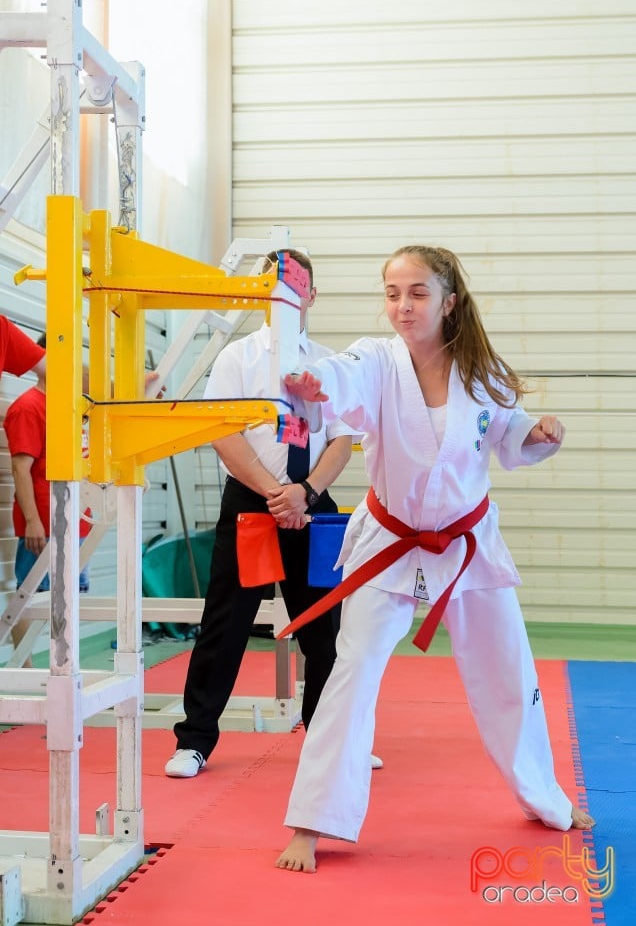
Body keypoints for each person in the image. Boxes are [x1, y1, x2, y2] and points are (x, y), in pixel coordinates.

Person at [275, 244, 595, 874]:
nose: (401, 306)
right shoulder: (376, 360)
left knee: (510, 672)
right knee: (353, 670)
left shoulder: (485, 372)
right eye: (392, 292)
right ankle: (312, 822)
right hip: (390, 542)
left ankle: (545, 798)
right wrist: (318, 384)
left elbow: (508, 435)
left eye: (417, 293)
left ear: (448, 301)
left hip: (468, 545)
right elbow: (341, 375)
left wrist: (538, 434)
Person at [165, 249, 376, 778]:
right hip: (250, 502)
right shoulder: (238, 357)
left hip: (312, 503)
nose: (284, 296)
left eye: (294, 287)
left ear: (311, 295)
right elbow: (222, 430)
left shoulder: (331, 363)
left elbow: (344, 440)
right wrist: (272, 492)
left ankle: (331, 738)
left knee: (325, 626)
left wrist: (304, 491)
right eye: (273, 286)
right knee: (226, 622)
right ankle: (194, 741)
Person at [3, 334, 91, 664]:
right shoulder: (28, 408)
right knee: (29, 597)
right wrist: (33, 522)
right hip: (43, 524)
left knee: (70, 599)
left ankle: (63, 668)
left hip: (77, 522)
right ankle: (23, 671)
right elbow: (20, 468)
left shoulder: (73, 407)